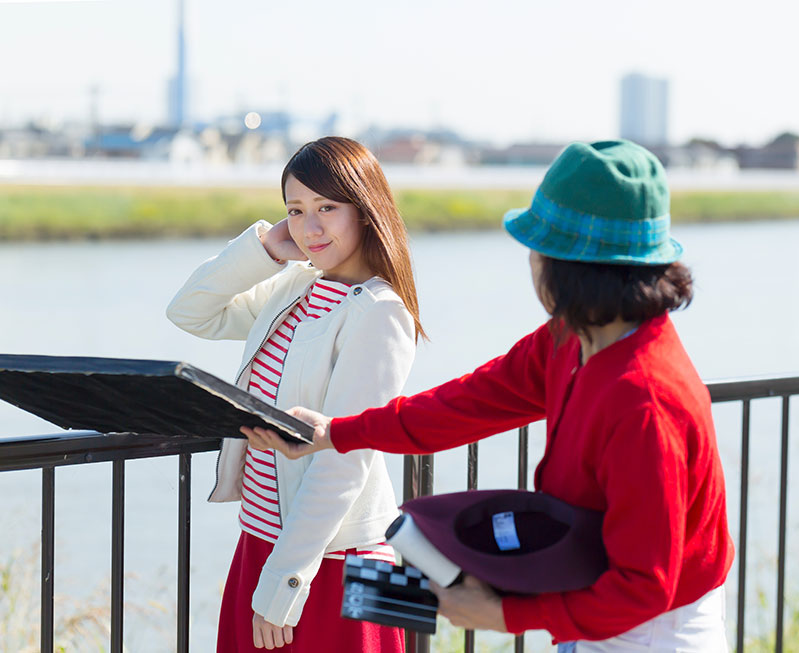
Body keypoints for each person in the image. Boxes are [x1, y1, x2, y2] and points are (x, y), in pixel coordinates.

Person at [243, 139, 734, 651]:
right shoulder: (571, 338)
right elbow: (468, 403)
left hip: (653, 630)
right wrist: (337, 433)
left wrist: (506, 613)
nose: (530, 264)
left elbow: (645, 587)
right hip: (592, 595)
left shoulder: (645, 401)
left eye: (536, 249)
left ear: (565, 267)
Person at [167, 136, 424, 652]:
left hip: (340, 560)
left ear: (366, 210)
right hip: (262, 541)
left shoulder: (380, 310)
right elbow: (188, 311)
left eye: (328, 207)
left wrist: (284, 581)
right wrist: (263, 249)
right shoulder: (295, 288)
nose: (310, 226)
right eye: (296, 210)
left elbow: (345, 456)